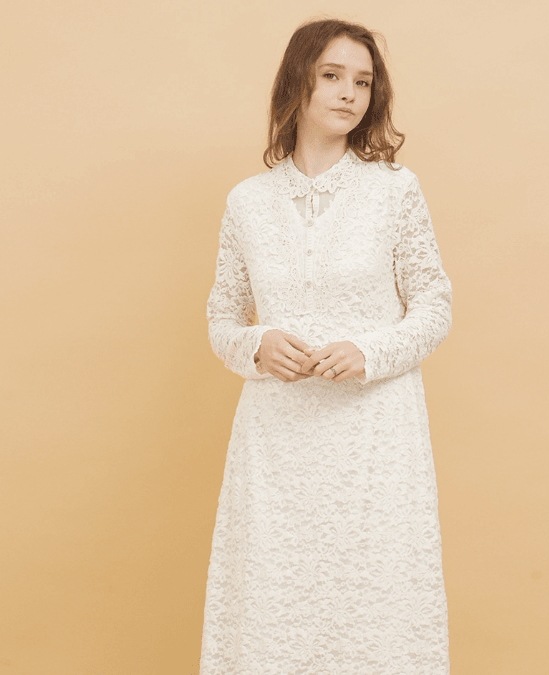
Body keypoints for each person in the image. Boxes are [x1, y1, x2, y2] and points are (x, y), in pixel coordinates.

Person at [200, 17, 453, 674]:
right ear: (298, 82)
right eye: (332, 76)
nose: (348, 93)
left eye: (362, 82)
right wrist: (256, 345)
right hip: (276, 442)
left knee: (373, 603)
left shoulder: (394, 190)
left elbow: (434, 305)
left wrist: (370, 352)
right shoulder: (247, 202)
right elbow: (222, 317)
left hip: (374, 437)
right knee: (275, 605)